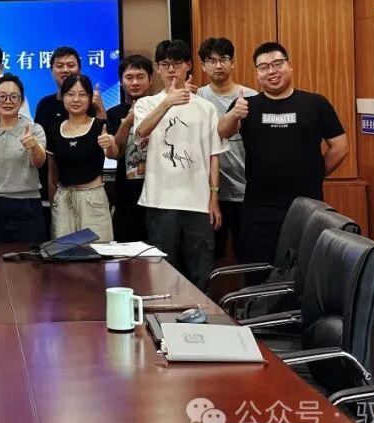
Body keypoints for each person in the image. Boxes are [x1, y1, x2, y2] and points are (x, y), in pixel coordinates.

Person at [218, 42, 349, 266]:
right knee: (258, 271)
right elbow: (222, 132)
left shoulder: (315, 103)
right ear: (257, 73)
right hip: (259, 209)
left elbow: (340, 146)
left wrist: (315, 174)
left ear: (290, 65)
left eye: (278, 64)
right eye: (264, 67)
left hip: (307, 206)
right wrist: (234, 114)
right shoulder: (246, 105)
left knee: (304, 270)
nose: (272, 71)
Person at [133, 40, 226, 290]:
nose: (171, 69)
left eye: (177, 63)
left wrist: (214, 197)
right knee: (161, 270)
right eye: (165, 64)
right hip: (160, 201)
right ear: (158, 68)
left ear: (188, 66)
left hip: (198, 202)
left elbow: (214, 155)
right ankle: (164, 314)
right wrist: (167, 102)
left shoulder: (206, 108)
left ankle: (202, 313)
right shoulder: (146, 104)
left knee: (201, 269)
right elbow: (141, 133)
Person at [196, 37, 257, 260]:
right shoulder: (197, 98)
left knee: (248, 255)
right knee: (210, 257)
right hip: (209, 194)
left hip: (246, 191)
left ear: (233, 63)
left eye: (223, 59)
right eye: (211, 61)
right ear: (203, 66)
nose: (218, 65)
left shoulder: (251, 97)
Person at [0, 74, 47, 244]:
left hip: (27, 205)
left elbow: (39, 162)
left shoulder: (34, 129)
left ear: (21, 102)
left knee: (29, 259)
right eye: (2, 96)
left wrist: (33, 145)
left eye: (14, 97)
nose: (8, 101)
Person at [45, 74, 117, 241]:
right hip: (63, 200)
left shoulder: (100, 125)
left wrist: (110, 144)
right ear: (63, 97)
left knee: (98, 252)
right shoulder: (54, 130)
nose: (76, 99)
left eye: (82, 94)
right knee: (64, 253)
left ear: (90, 98)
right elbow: (52, 173)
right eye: (70, 94)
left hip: (93, 199)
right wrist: (54, 204)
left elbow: (113, 154)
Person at [105, 54, 154, 243]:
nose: (134, 82)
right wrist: (127, 122)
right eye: (129, 77)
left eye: (140, 77)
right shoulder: (113, 113)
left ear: (150, 79)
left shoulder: (161, 108)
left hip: (158, 195)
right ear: (121, 81)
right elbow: (115, 153)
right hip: (126, 197)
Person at [33, 46, 106, 128]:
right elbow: (38, 134)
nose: (65, 70)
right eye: (59, 66)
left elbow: (104, 132)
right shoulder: (45, 104)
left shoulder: (90, 102)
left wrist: (100, 108)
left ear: (79, 69)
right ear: (51, 71)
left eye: (70, 65)